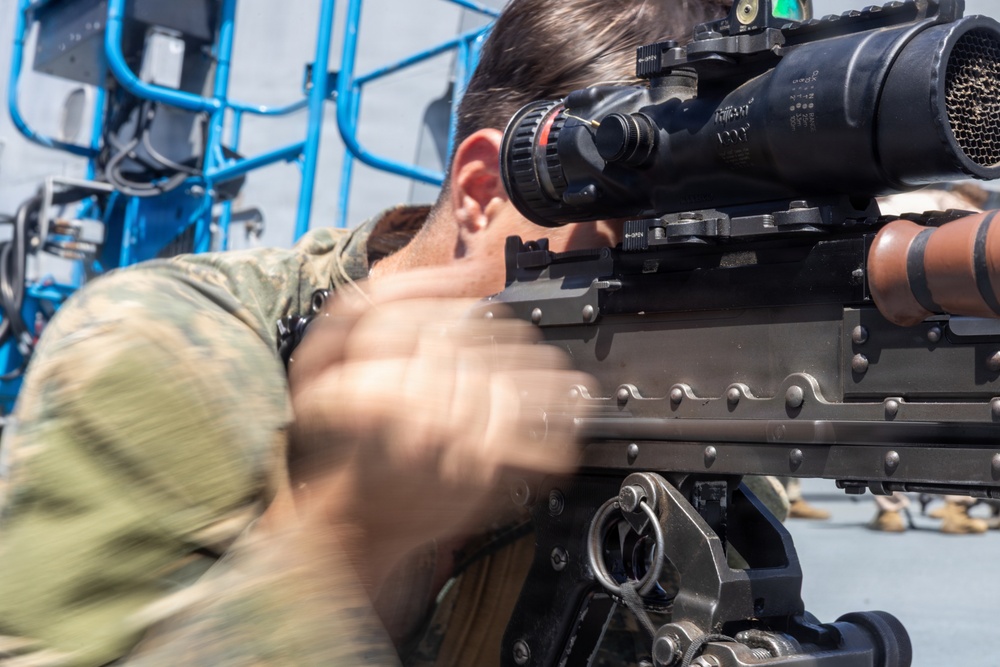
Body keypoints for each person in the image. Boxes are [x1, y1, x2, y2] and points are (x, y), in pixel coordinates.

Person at [0, 0, 739, 664]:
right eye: (631, 247)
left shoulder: (680, 421)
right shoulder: (160, 354)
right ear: (487, 193)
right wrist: (345, 541)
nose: (669, 305)